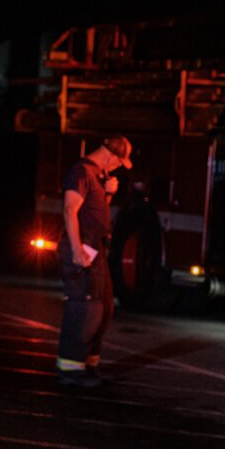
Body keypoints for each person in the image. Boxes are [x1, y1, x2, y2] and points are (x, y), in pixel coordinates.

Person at [56, 135, 132, 390]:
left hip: (96, 248)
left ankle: (88, 364)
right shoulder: (81, 171)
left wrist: (108, 195)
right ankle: (70, 369)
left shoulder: (97, 175)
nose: (119, 167)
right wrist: (77, 250)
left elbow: (94, 213)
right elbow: (70, 210)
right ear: (111, 155)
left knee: (105, 306)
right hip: (83, 247)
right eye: (120, 162)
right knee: (85, 308)